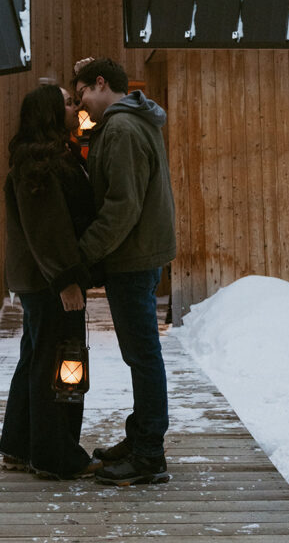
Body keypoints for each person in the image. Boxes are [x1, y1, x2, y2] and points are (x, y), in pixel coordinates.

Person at [71, 57, 176, 485]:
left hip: (132, 259)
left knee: (143, 355)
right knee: (141, 354)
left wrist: (83, 256)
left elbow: (121, 208)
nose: (82, 106)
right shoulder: (134, 120)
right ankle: (140, 439)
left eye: (82, 95)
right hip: (140, 255)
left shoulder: (121, 129)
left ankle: (150, 454)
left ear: (100, 84)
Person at [0, 84, 101, 480]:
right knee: (58, 364)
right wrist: (66, 281)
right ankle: (55, 455)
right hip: (49, 282)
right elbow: (47, 230)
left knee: (37, 359)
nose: (76, 107)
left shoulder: (41, 158)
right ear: (49, 114)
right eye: (68, 103)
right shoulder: (40, 164)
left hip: (39, 281)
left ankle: (20, 446)